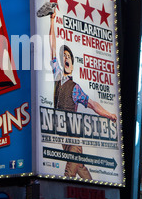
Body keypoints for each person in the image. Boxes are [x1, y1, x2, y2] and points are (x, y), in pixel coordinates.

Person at [49, 10, 117, 179]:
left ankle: (63, 192)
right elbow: (52, 46)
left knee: (69, 172)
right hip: (62, 133)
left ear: (71, 66)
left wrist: (108, 114)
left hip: (73, 133)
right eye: (63, 56)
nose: (65, 58)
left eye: (68, 57)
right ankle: (95, 190)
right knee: (79, 166)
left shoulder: (75, 87)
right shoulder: (57, 76)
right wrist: (52, 21)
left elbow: (93, 104)